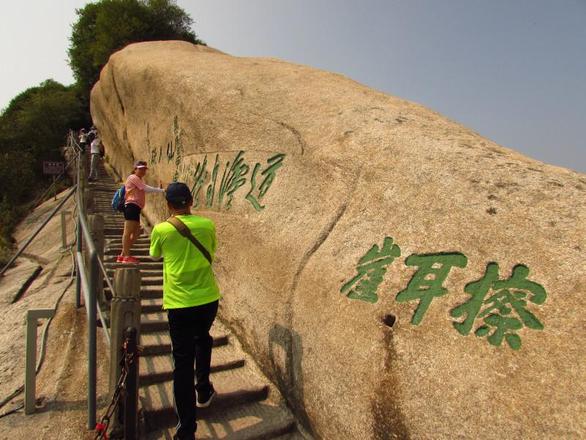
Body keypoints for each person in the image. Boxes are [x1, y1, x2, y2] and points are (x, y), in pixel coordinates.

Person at [149, 182, 221, 440]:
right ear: (191, 201)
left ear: (168, 204)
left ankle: (186, 429)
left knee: (182, 362)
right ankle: (203, 389)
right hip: (208, 299)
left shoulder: (161, 230)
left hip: (179, 303)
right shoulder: (207, 225)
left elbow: (155, 256)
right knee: (203, 339)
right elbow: (210, 252)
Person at [117, 160, 165, 264]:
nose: (143, 171)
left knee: (137, 231)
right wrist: (161, 190)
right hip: (131, 206)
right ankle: (126, 256)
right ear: (135, 169)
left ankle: (122, 254)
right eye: (141, 169)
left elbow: (144, 189)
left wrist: (158, 189)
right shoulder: (133, 177)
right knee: (128, 232)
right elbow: (144, 188)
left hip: (136, 207)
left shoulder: (138, 179)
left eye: (144, 169)